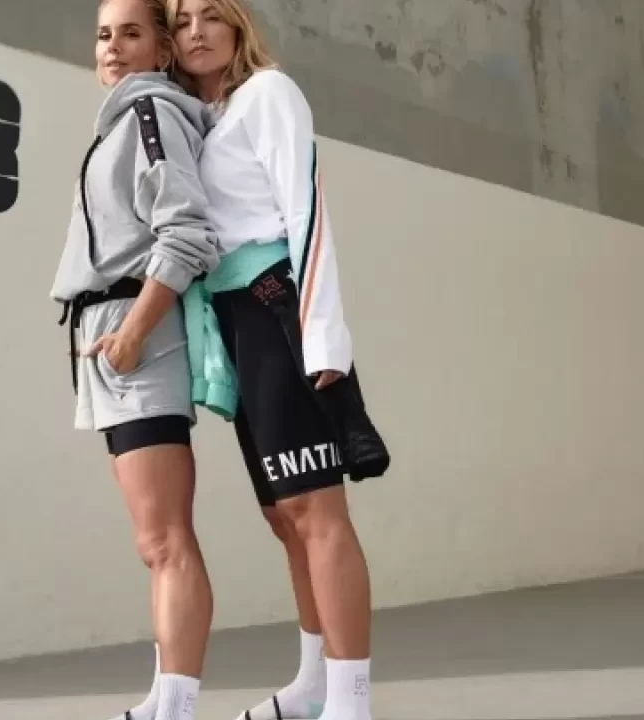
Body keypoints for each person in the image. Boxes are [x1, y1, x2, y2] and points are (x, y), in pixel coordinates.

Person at [168, 1, 390, 719]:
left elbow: (307, 212)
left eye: (210, 14)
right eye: (180, 19)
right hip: (235, 325)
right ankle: (314, 683)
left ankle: (351, 702)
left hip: (278, 312)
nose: (195, 30)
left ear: (237, 25)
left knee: (315, 510)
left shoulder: (269, 93)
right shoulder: (204, 122)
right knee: (282, 517)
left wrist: (323, 339)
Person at [50, 1, 223, 719]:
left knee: (166, 538)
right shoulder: (123, 122)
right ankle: (164, 699)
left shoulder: (151, 115)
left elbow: (188, 233)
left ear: (161, 49)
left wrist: (131, 334)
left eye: (131, 33)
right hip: (112, 340)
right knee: (154, 543)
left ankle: (177, 707)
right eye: (103, 35)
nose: (113, 47)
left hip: (138, 343)